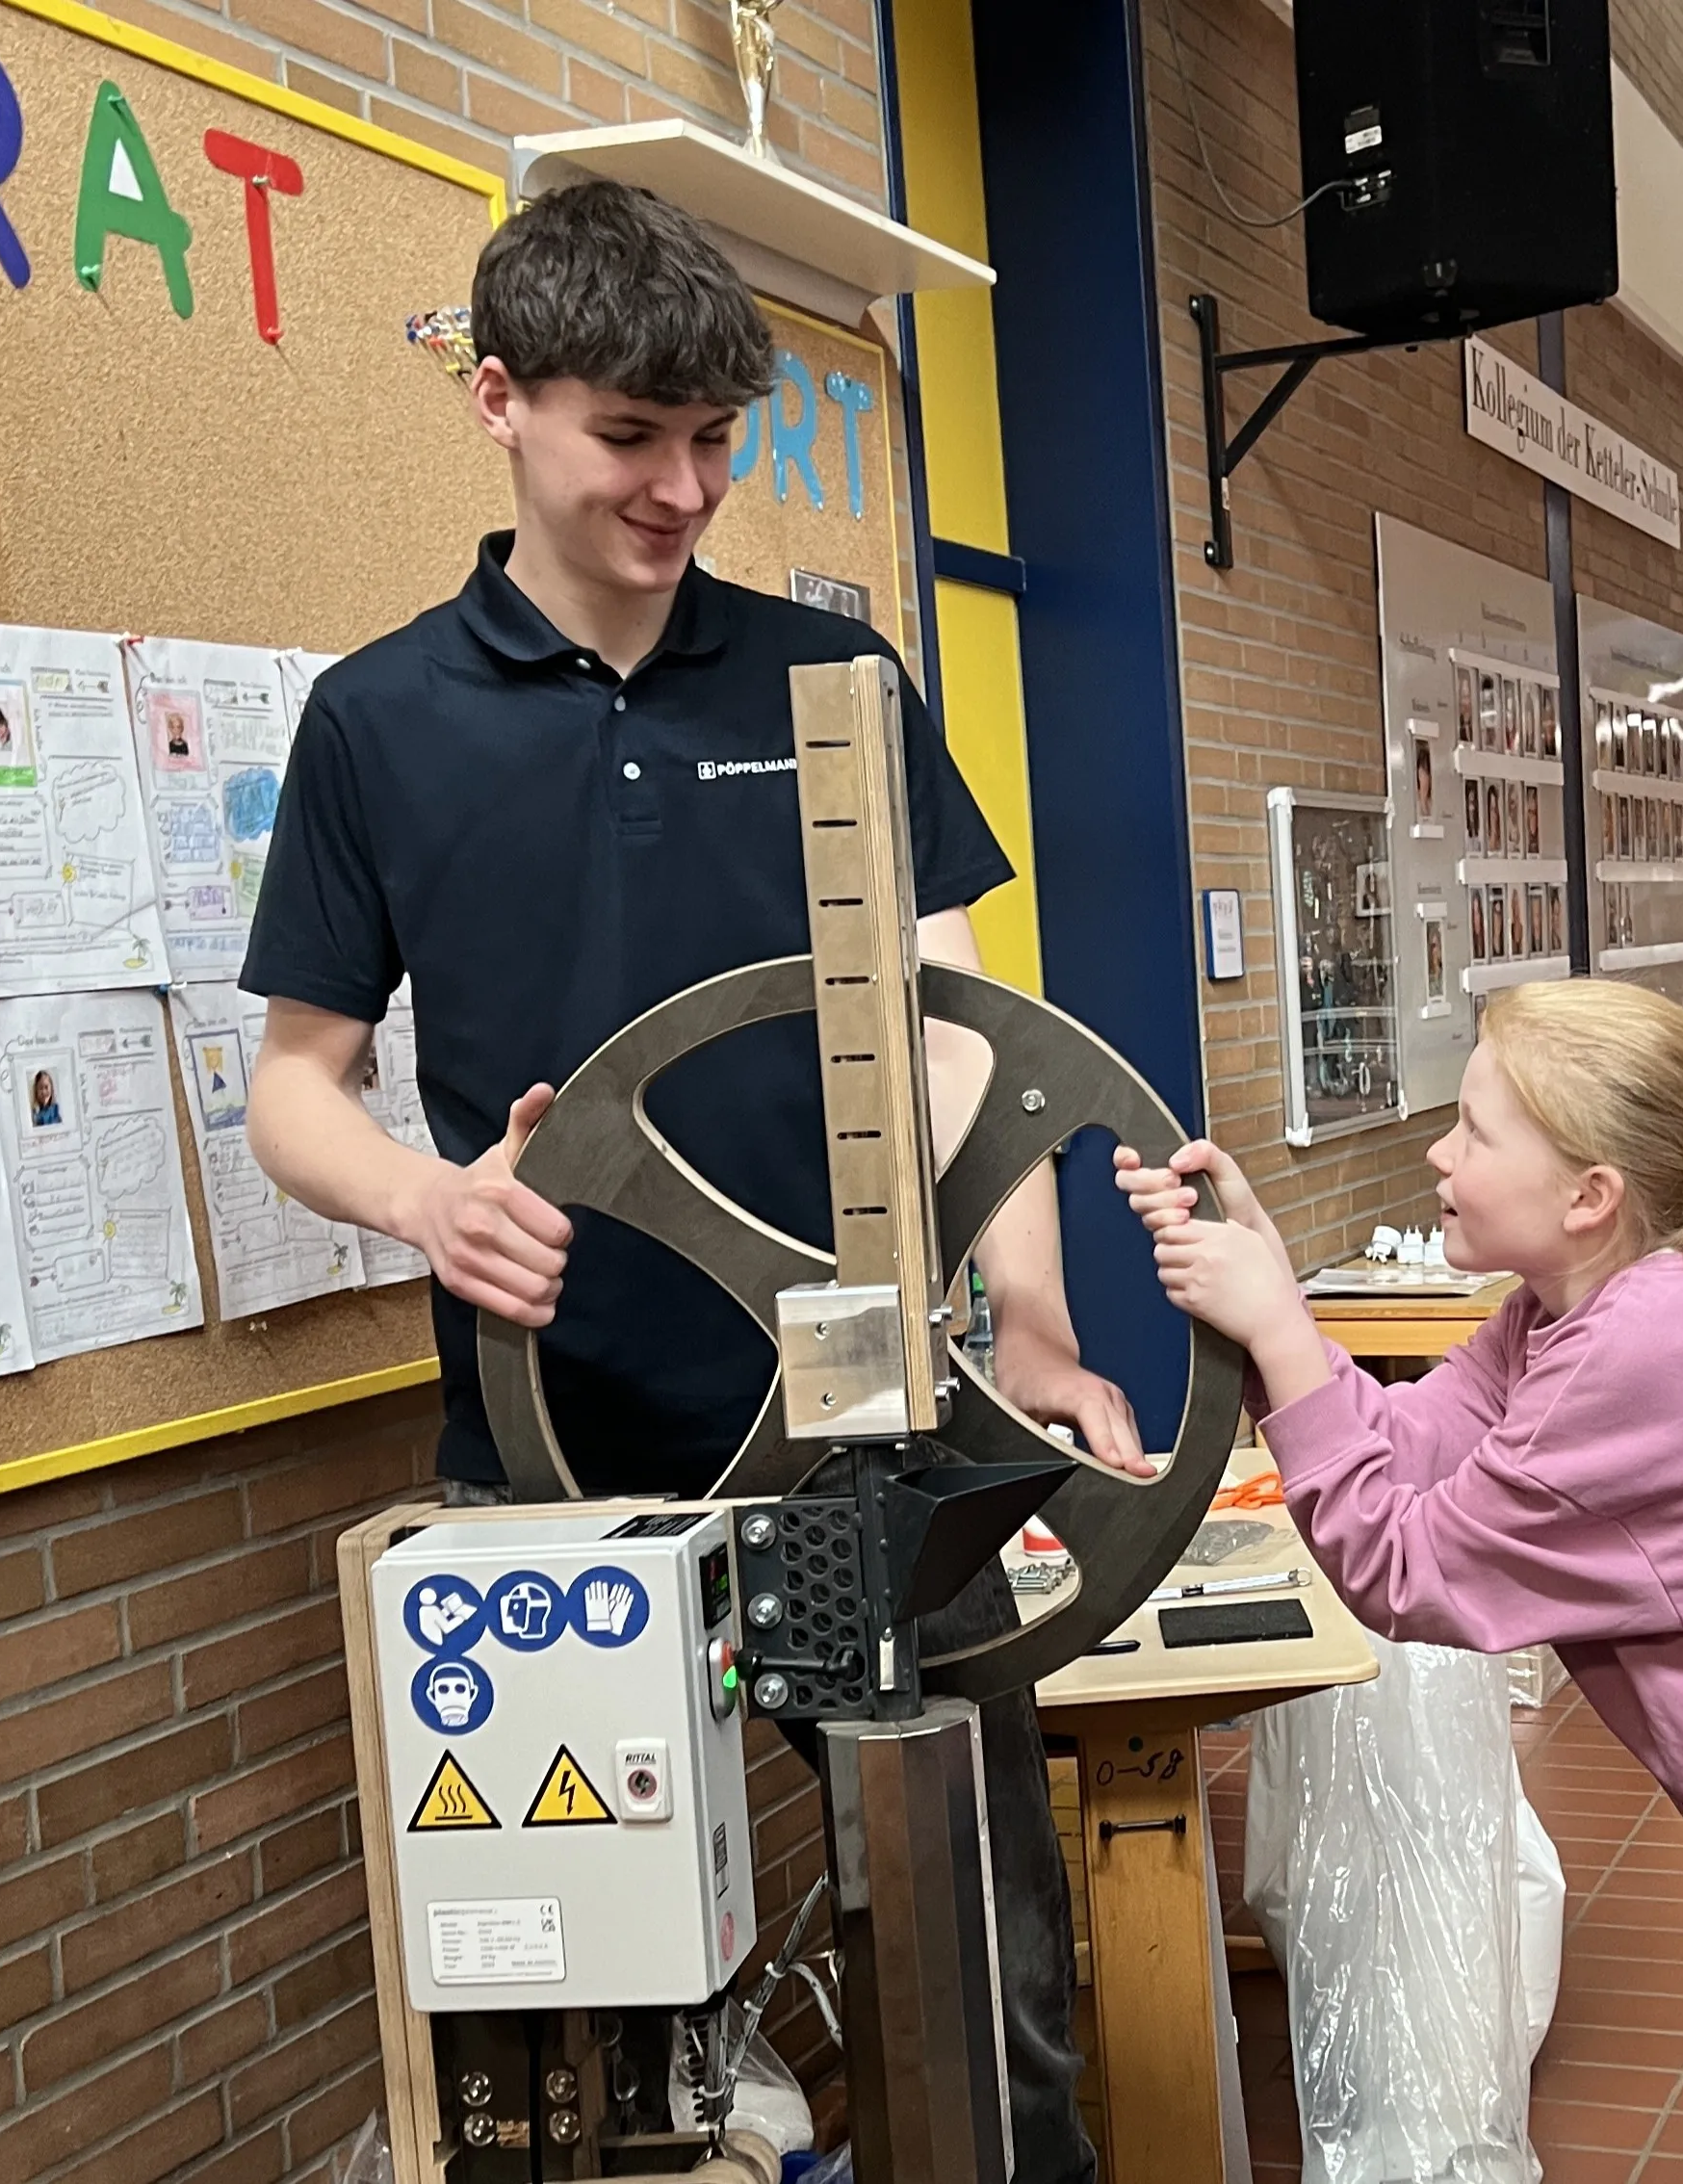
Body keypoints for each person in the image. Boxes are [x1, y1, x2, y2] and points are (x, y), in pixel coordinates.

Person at [239, 178, 1127, 2183]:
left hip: (867, 1452)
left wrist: (1035, 1317)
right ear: (498, 400)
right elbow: (297, 1086)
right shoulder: (378, 719)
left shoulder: (834, 681)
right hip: (549, 1461)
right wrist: (422, 1200)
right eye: (629, 436)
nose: (682, 490)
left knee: (988, 1982)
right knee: (593, 2030)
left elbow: (961, 1040)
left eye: (716, 439)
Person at [1116, 978, 1683, 2184]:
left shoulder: (1640, 1350)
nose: (1439, 1152)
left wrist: (1278, 1331)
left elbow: (1407, 1568)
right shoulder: (1565, 1312)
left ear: (1590, 1197)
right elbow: (1413, 1443)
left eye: (1474, 1130)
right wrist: (1278, 1290)